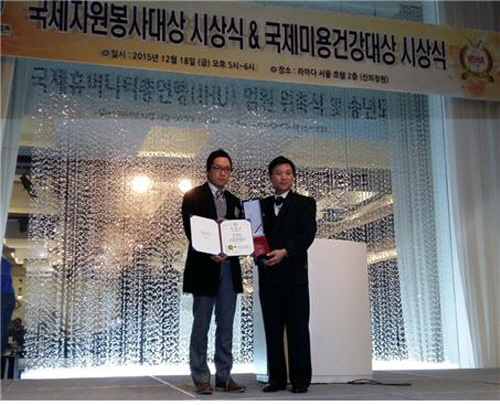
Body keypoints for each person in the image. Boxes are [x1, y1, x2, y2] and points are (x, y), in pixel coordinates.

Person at [181, 149, 246, 395]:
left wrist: (231, 249)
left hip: (229, 267)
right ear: (208, 170)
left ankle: (224, 376)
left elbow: (240, 234)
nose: (222, 173)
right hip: (203, 267)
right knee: (201, 324)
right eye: (218, 168)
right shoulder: (193, 196)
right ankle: (201, 377)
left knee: (226, 324)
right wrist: (210, 251)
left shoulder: (235, 201)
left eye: (227, 169)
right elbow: (192, 231)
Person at [258, 156, 317, 394]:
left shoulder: (306, 203)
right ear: (270, 177)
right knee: (272, 329)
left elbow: (307, 234)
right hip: (268, 275)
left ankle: (301, 379)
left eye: (287, 173)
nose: (283, 177)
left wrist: (286, 251)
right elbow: (250, 234)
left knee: (298, 328)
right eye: (278, 173)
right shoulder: (259, 205)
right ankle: (277, 379)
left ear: (293, 177)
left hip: (294, 276)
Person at [1, 257, 16, 355]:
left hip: (5, 297)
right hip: (8, 297)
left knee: (2, 325)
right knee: (3, 325)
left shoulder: (4, 263)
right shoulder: (5, 262)